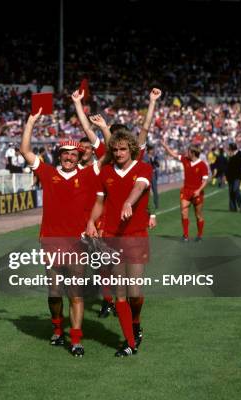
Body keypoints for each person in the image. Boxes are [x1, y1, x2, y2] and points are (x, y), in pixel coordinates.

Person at [20, 108, 100, 357]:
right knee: (54, 292)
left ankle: (75, 339)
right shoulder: (48, 173)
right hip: (51, 243)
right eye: (64, 153)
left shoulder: (88, 174)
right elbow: (25, 150)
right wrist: (31, 121)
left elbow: (106, 153)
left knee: (76, 294)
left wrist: (98, 128)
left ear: (79, 156)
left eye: (73, 154)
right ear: (60, 155)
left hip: (78, 244)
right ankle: (57, 328)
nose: (68, 157)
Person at [86, 128, 153, 357]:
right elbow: (98, 202)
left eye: (123, 149)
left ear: (131, 149)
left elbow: (139, 187)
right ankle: (130, 342)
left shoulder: (143, 168)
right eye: (114, 149)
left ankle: (136, 322)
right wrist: (91, 222)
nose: (118, 153)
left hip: (135, 237)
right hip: (112, 238)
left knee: (135, 293)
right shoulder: (104, 172)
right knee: (120, 294)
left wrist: (128, 203)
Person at [161, 140, 209, 241]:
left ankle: (199, 235)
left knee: (198, 215)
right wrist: (166, 147)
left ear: (193, 153)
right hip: (186, 191)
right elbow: (174, 155)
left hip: (197, 193)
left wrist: (199, 190)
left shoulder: (202, 165)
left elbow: (205, 181)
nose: (186, 153)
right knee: (183, 212)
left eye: (188, 152)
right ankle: (185, 235)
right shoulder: (185, 159)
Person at [225, 143, 241, 212]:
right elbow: (227, 166)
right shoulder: (229, 155)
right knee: (231, 192)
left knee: (235, 190)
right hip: (230, 176)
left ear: (232, 148)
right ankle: (233, 208)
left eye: (229, 148)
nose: (228, 149)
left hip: (237, 175)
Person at [145, 144, 160, 209]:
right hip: (147, 175)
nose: (152, 151)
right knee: (146, 192)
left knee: (155, 191)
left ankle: (156, 205)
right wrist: (150, 160)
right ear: (148, 150)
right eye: (151, 149)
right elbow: (145, 164)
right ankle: (147, 205)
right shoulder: (145, 156)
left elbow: (158, 165)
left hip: (153, 174)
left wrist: (155, 161)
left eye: (152, 149)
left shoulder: (155, 156)